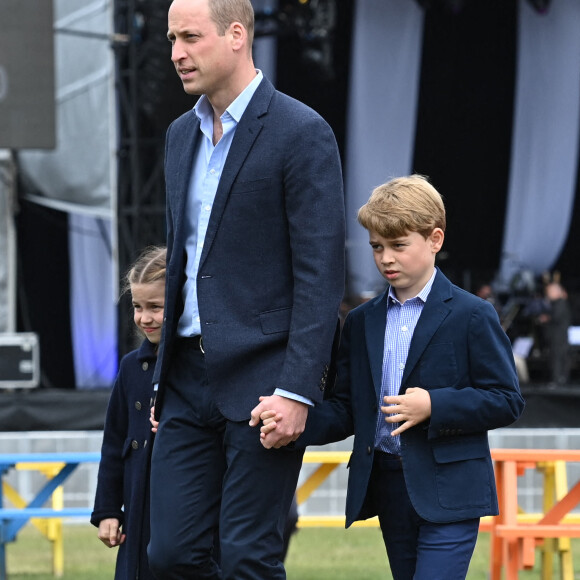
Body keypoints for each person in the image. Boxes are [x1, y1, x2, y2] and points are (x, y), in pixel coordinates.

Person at [148, 0, 345, 578]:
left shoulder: (302, 131)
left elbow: (320, 273)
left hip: (265, 381)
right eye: (171, 39)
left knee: (247, 558)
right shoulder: (179, 135)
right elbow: (184, 263)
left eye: (189, 37)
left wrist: (298, 390)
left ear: (237, 35)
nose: (177, 53)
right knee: (170, 555)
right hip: (185, 378)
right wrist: (161, 376)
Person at [261, 175, 525, 580]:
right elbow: (346, 409)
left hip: (452, 490)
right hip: (387, 486)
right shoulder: (361, 321)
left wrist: (434, 406)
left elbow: (507, 398)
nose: (386, 257)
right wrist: (295, 423)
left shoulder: (473, 314)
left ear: (435, 240)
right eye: (376, 247)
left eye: (398, 245)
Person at [91, 246, 166, 580]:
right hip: (136, 512)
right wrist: (107, 510)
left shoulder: (199, 366)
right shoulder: (130, 367)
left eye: (155, 307)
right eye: (137, 307)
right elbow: (113, 443)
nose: (144, 318)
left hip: (181, 508)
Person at [539, 281, 572, 385]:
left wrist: (546, 318)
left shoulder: (561, 302)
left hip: (559, 336)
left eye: (549, 291)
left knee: (558, 357)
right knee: (555, 357)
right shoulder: (555, 303)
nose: (547, 294)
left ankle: (558, 379)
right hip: (556, 336)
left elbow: (556, 317)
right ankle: (557, 378)